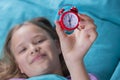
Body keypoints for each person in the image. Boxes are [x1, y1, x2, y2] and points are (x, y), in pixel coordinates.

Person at [0, 14, 97, 80]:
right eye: (23, 49)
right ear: (19, 66)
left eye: (39, 41)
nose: (33, 49)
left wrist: (74, 61)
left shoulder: (83, 76)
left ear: (57, 46)